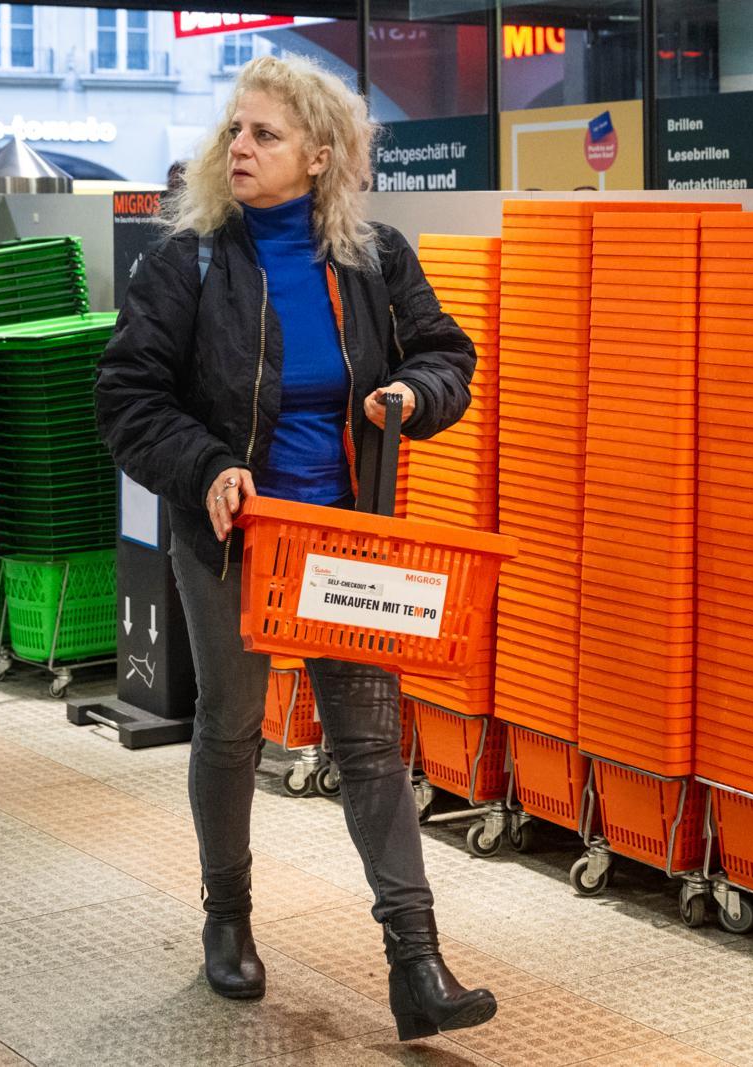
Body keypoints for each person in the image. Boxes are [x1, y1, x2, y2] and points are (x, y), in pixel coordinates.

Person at [94, 54, 493, 1042]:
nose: (240, 146)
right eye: (236, 130)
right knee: (232, 728)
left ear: (320, 156)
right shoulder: (182, 260)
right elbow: (128, 396)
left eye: (265, 135)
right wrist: (206, 468)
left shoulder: (372, 256)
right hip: (235, 537)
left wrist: (412, 396)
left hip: (345, 537)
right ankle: (225, 917)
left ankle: (417, 962)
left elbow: (448, 353)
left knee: (366, 741)